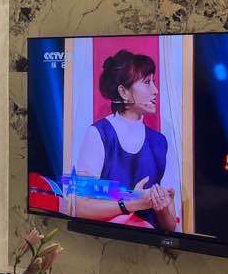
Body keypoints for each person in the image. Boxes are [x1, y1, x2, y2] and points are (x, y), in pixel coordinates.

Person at [68, 49, 177, 231]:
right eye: (147, 82)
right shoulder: (99, 134)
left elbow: (170, 227)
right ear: (124, 92)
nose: (155, 90)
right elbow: (81, 207)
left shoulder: (159, 142)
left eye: (154, 82)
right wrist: (134, 202)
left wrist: (162, 206)